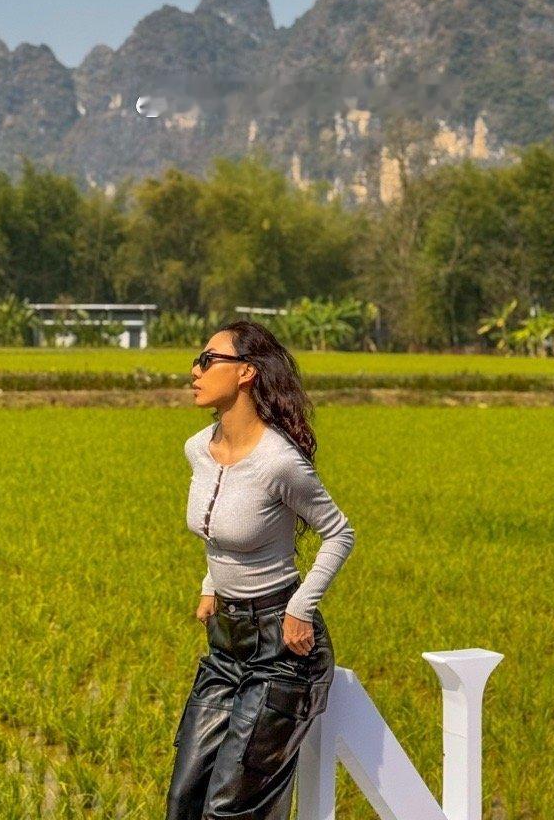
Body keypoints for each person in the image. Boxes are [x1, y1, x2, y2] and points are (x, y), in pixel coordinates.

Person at [165, 319, 356, 820]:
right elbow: (219, 529)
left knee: (230, 805)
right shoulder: (196, 450)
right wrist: (211, 586)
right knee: (184, 798)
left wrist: (300, 608)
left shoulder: (279, 461)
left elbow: (340, 533)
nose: (195, 370)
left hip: (281, 649)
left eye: (209, 360)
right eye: (196, 360)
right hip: (226, 645)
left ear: (246, 372)